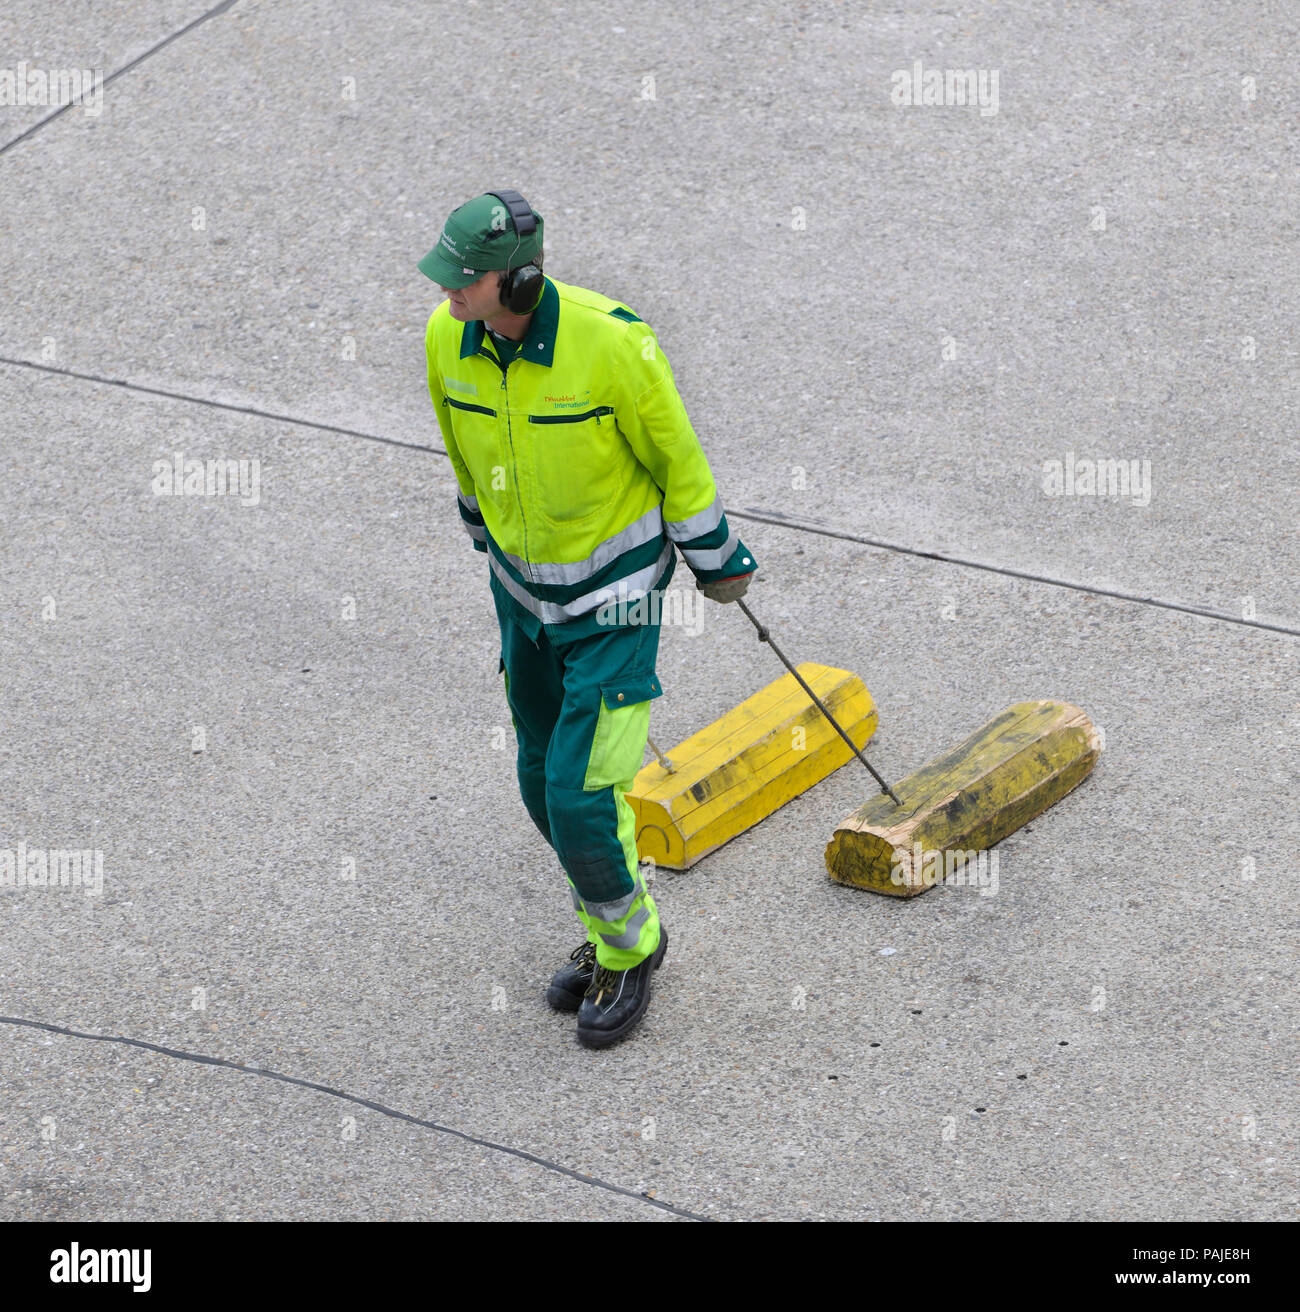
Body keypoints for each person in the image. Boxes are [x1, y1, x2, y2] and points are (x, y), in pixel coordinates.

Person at [419, 188, 757, 1048]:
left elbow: (676, 457)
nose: (449, 295)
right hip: (523, 601)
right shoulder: (443, 340)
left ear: (521, 281)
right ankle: (610, 922)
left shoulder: (614, 345)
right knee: (539, 778)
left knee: (581, 792)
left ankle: (632, 947)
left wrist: (715, 560)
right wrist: (482, 540)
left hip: (617, 603)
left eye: (467, 283)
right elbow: (463, 454)